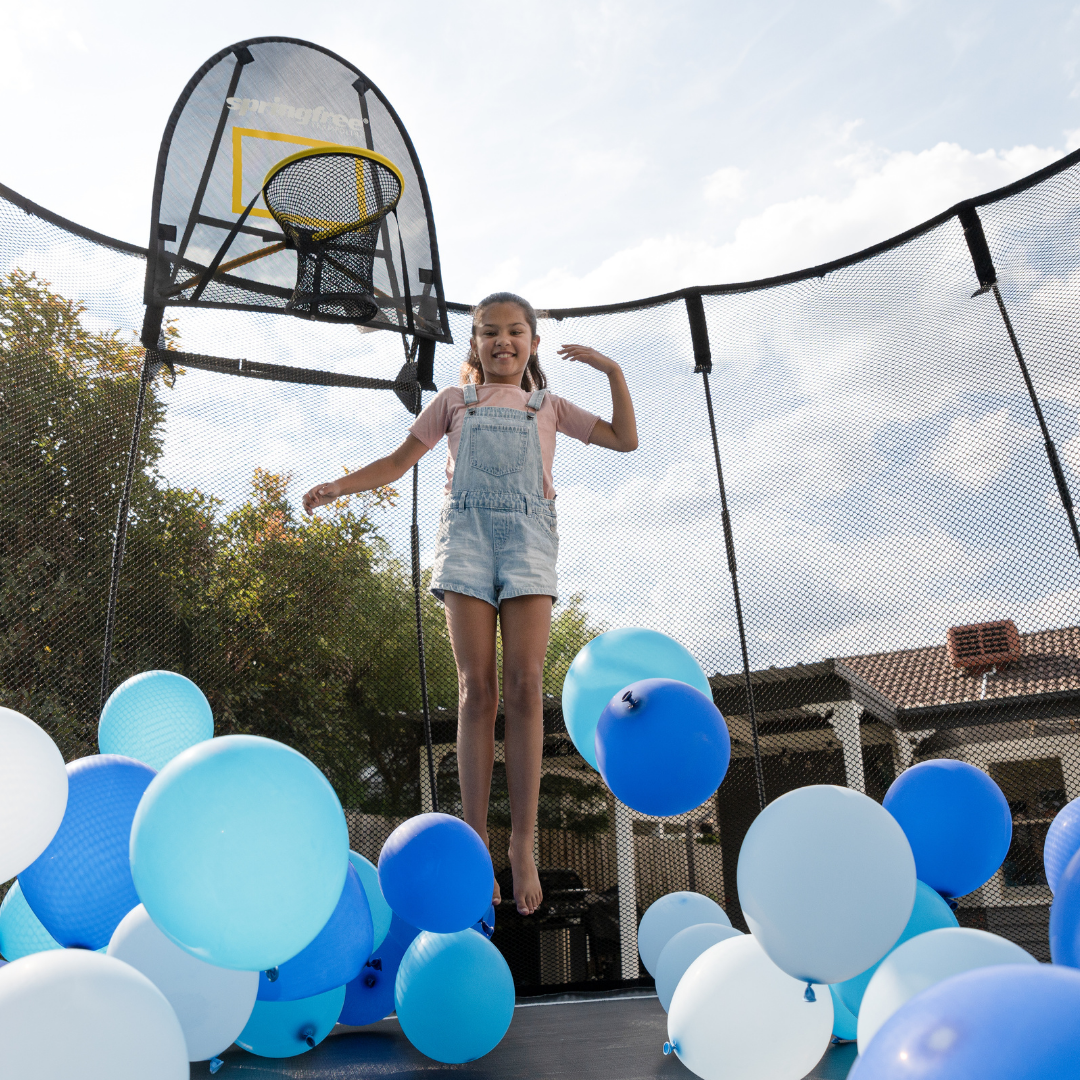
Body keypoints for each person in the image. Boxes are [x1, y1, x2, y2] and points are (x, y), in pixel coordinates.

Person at [302, 292, 638, 915]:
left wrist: (612, 371)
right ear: (476, 345)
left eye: (515, 332)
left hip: (529, 540)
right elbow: (401, 461)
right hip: (467, 541)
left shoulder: (551, 406)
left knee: (526, 686)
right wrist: (341, 484)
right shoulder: (455, 403)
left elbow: (624, 440)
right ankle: (477, 839)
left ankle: (522, 844)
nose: (503, 341)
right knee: (476, 691)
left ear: (534, 343)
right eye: (489, 333)